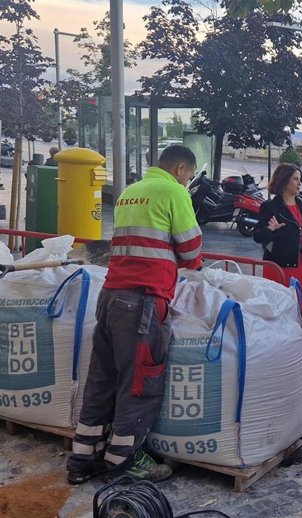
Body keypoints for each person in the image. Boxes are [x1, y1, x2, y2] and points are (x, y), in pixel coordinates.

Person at [66, 145, 203, 485]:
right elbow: (191, 250)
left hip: (111, 296)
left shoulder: (131, 192)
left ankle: (83, 457)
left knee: (102, 378)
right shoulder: (173, 191)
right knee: (140, 382)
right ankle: (124, 460)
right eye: (189, 175)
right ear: (181, 168)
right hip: (142, 301)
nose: (188, 181)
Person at [254, 163, 302, 309]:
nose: (300, 183)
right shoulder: (270, 207)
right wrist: (270, 229)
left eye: (300, 179)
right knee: (277, 309)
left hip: (301, 265)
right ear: (284, 180)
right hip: (279, 267)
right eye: (295, 179)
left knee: (299, 307)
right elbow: (257, 236)